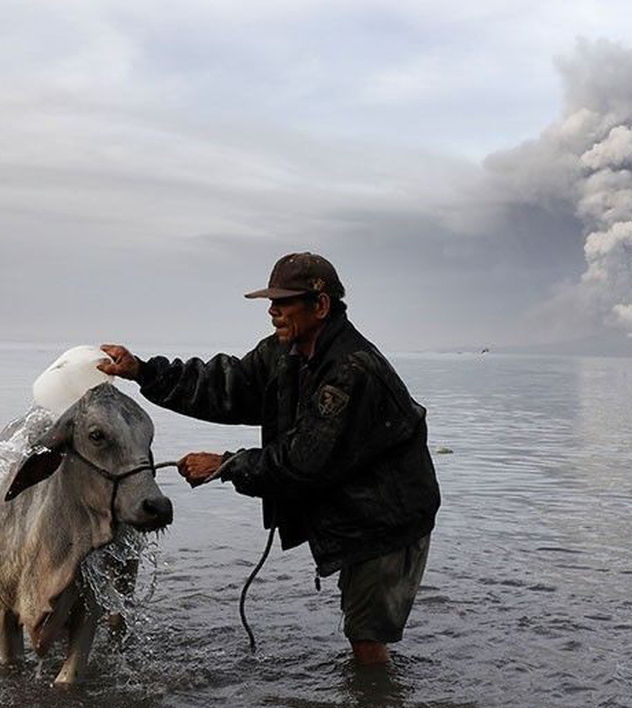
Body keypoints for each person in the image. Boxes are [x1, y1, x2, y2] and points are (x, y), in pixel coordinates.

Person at [98, 252, 440, 664]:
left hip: (389, 519)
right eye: (271, 303)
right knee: (362, 633)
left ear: (321, 305)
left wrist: (224, 464)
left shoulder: (351, 371)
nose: (273, 312)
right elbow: (222, 385)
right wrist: (144, 372)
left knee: (367, 639)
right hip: (356, 511)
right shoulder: (285, 353)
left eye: (283, 302)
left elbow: (302, 464)